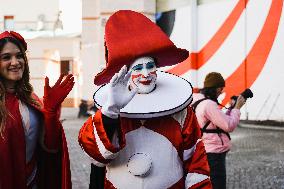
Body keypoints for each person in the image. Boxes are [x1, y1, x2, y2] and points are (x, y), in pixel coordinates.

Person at [79, 10, 212, 189]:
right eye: (138, 68)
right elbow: (96, 155)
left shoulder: (181, 112)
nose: (145, 73)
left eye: (150, 66)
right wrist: (110, 113)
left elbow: (196, 161)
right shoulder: (111, 111)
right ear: (125, 72)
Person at [0, 31, 74, 189]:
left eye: (19, 56)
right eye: (6, 57)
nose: (15, 62)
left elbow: (50, 148)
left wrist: (51, 113)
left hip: (33, 182)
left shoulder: (31, 99)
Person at [191, 72, 246, 189]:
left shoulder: (197, 99)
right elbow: (228, 125)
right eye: (221, 88)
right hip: (214, 152)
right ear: (215, 88)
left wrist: (231, 108)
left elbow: (217, 121)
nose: (221, 91)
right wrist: (237, 108)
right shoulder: (209, 104)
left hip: (203, 148)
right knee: (218, 184)